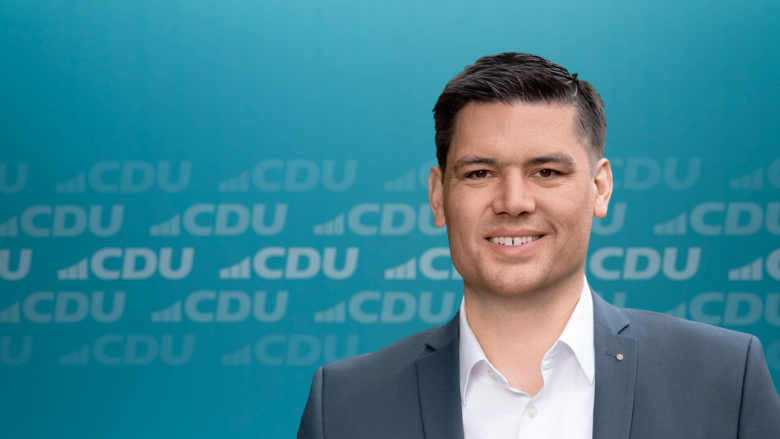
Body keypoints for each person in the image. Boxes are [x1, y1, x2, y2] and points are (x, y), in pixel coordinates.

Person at [297, 52, 780, 439]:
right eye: (480, 173)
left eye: (546, 172)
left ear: (600, 188)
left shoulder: (724, 378)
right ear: (438, 196)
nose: (514, 202)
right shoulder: (342, 405)